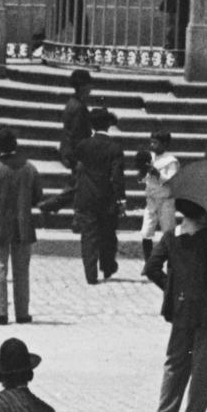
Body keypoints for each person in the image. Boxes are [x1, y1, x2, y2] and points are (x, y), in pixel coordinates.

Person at [150, 197, 207, 412]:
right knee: (204, 368)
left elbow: (151, 268)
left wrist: (172, 288)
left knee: (175, 363)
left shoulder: (170, 237)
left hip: (181, 309)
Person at [64, 66, 125, 283]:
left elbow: (72, 146)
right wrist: (121, 198)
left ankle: (91, 274)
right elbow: (117, 177)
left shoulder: (83, 143)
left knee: (88, 236)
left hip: (87, 193)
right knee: (108, 233)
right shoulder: (115, 148)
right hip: (105, 195)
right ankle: (107, 266)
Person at [0, 133, 39, 323]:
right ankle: (22, 313)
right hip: (23, 224)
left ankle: (0, 312)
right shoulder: (29, 168)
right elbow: (38, 196)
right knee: (22, 271)